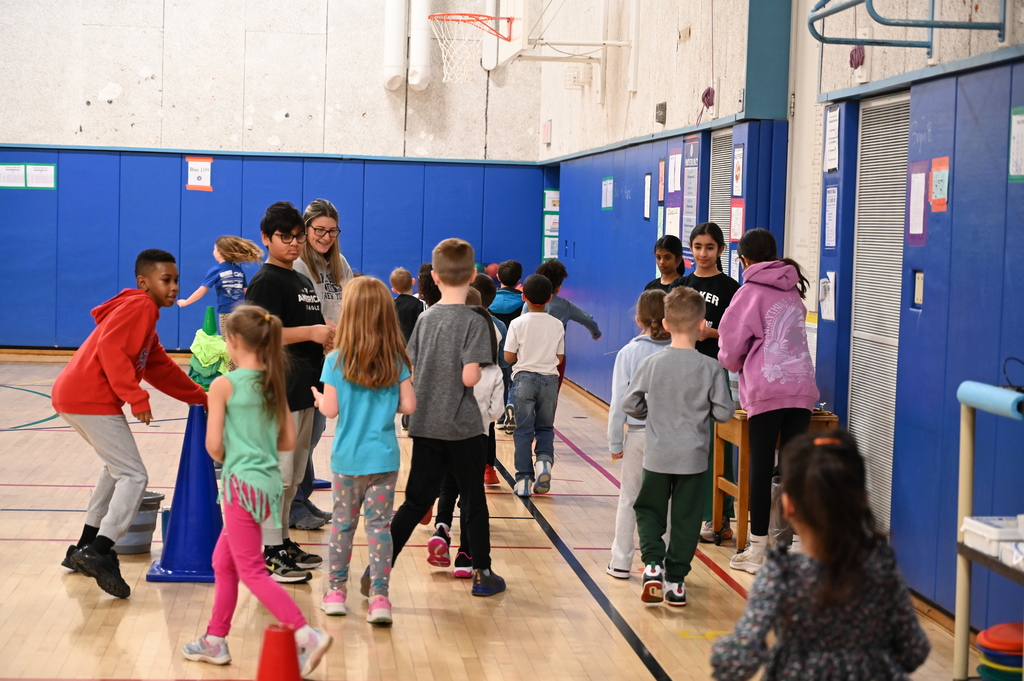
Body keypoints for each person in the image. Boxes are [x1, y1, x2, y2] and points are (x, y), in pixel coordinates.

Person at [182, 305, 332, 676]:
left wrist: (237, 447)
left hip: (240, 486)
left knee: (252, 570)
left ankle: (305, 632)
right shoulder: (273, 382)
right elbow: (288, 439)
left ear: (231, 342)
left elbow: (214, 447)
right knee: (223, 562)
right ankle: (215, 639)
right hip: (266, 485)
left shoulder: (222, 385)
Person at [710, 430, 930, 680]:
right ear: (862, 501)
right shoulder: (881, 568)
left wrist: (725, 654)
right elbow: (915, 650)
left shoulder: (781, 575)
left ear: (788, 505)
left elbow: (738, 660)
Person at [53, 249, 209, 599]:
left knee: (115, 469)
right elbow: (111, 349)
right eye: (165, 280)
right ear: (144, 282)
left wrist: (201, 397)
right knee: (134, 475)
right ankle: (101, 550)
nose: (173, 287)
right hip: (88, 396)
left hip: (76, 395)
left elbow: (160, 367)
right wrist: (136, 397)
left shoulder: (144, 315)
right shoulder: (139, 307)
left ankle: (83, 546)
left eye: (176, 280)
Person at [373, 238, 506, 597]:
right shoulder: (476, 321)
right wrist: (474, 370)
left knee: (415, 501)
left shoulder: (425, 318)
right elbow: (468, 378)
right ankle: (482, 573)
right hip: (463, 428)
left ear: (434, 276)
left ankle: (377, 571)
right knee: (473, 498)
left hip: (426, 424)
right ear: (474, 275)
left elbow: (411, 369)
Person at [311, 277, 415, 625]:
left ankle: (336, 592)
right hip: (384, 459)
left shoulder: (336, 360)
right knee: (379, 529)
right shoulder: (396, 359)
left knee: (342, 526)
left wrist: (318, 398)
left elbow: (329, 410)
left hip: (347, 461)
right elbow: (409, 404)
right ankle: (380, 598)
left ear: (349, 313)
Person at [622, 286, 734, 606]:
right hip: (693, 459)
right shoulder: (711, 368)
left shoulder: (652, 363)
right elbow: (725, 412)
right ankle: (676, 582)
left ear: (666, 325)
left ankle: (653, 565)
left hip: (657, 455)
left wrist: (651, 413)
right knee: (686, 519)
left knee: (649, 510)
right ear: (702, 326)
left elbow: (631, 404)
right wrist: (705, 413)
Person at [718, 228, 819, 574]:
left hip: (767, 390)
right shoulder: (793, 290)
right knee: (791, 470)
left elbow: (730, 349)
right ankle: (785, 545)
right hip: (802, 388)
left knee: (760, 467)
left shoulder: (749, 292)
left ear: (744, 259)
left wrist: (732, 363)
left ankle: (758, 547)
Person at [245, 201, 334, 582]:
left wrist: (325, 337)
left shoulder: (298, 278)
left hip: (305, 388)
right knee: (278, 475)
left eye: (299, 236)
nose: (295, 243)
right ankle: (267, 550)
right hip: (278, 391)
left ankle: (280, 540)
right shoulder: (267, 280)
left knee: (294, 475)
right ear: (266, 238)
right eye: (286, 237)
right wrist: (312, 333)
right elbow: (257, 334)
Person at [670, 222, 741, 543]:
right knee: (685, 443)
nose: (703, 253)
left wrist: (714, 333)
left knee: (716, 445)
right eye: (697, 247)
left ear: (720, 250)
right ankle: (687, 510)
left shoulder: (731, 288)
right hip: (683, 373)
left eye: (709, 247)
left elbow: (741, 334)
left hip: (716, 373)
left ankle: (719, 516)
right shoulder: (681, 285)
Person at [427, 286, 504, 573]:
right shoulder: (492, 371)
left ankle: (442, 528)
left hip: (447, 435)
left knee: (448, 485)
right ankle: (466, 556)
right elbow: (496, 411)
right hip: (476, 438)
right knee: (473, 499)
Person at [289, 198, 354, 532]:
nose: (326, 237)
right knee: (303, 437)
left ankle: (301, 498)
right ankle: (293, 505)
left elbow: (349, 304)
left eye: (332, 231)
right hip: (304, 358)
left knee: (313, 434)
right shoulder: (298, 263)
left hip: (332, 357)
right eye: (319, 230)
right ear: (306, 227)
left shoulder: (339, 263)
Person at [605, 289, 672, 579]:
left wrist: (614, 442)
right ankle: (662, 563)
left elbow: (619, 401)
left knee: (630, 497)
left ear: (638, 319)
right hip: (671, 437)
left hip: (638, 435)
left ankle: (620, 561)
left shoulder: (629, 352)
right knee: (666, 500)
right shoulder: (680, 351)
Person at [505, 274, 565, 497]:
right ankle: (543, 464)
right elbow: (559, 357)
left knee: (523, 430)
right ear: (550, 298)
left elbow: (509, 356)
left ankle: (522, 479)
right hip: (549, 380)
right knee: (545, 427)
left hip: (524, 380)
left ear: (523, 297)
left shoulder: (517, 323)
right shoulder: (557, 324)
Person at [176, 235, 264, 333]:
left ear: (220, 252)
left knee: (228, 341)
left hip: (227, 312)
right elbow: (246, 292)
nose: (213, 251)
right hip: (242, 312)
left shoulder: (216, 270)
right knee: (241, 340)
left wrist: (186, 302)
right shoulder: (238, 270)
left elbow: (202, 290)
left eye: (214, 249)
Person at [391, 266, 425, 342]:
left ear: (394, 290)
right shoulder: (419, 304)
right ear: (413, 281)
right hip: (413, 344)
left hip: (396, 345)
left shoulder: (391, 304)